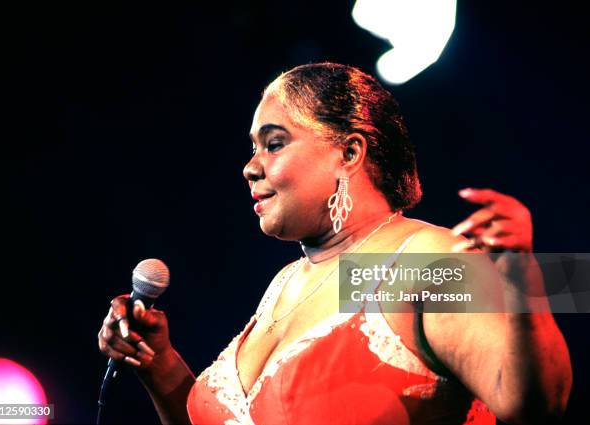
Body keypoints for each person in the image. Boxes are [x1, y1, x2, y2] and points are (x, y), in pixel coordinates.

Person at [97, 63, 572, 424]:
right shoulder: (290, 280)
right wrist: (158, 365)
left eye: (274, 143)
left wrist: (522, 284)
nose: (250, 166)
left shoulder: (422, 261)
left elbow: (534, 405)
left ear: (349, 152)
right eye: (253, 147)